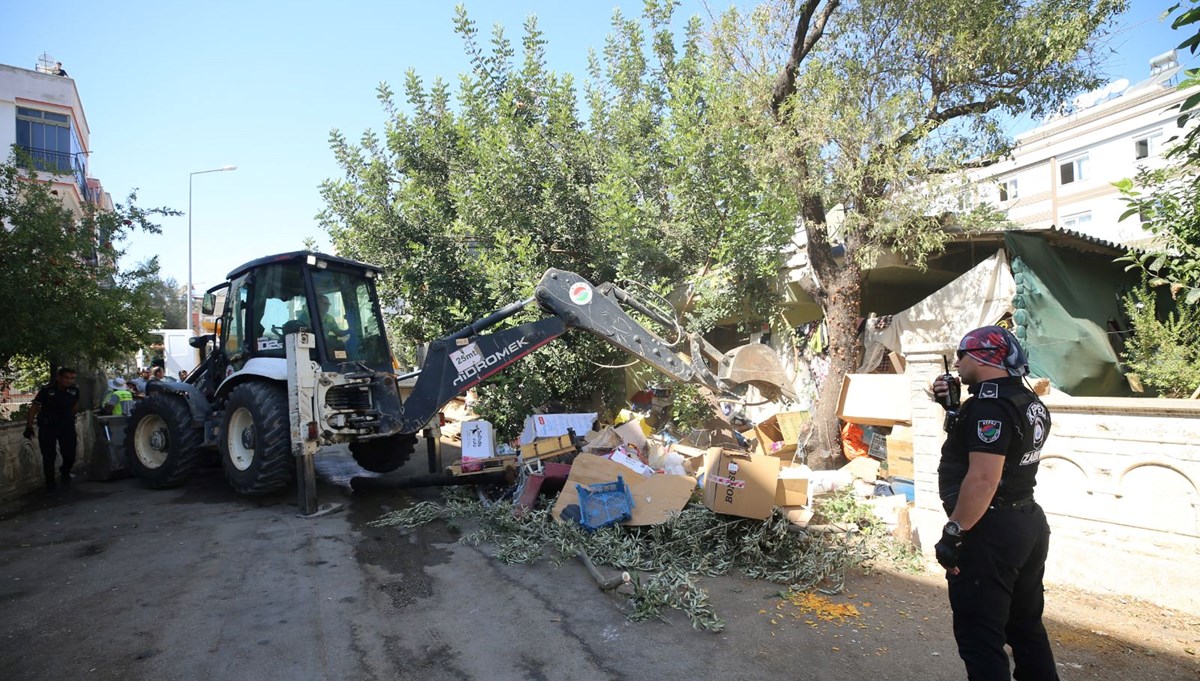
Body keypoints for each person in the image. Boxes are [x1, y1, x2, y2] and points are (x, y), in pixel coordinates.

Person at [932, 326, 1056, 681]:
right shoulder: (1026, 399)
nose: (956, 364)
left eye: (962, 355)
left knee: (981, 638)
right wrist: (954, 410)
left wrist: (955, 532)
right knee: (1025, 627)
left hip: (990, 530)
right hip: (1026, 521)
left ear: (984, 356)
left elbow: (984, 479)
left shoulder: (990, 407)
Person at [24, 367, 80, 491]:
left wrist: (71, 415)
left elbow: (75, 406)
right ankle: (50, 483)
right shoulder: (47, 391)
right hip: (48, 426)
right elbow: (34, 407)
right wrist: (29, 426)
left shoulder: (74, 391)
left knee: (70, 454)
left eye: (72, 378)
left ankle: (65, 471)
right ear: (59, 377)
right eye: (66, 377)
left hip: (67, 426)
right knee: (49, 455)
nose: (69, 381)